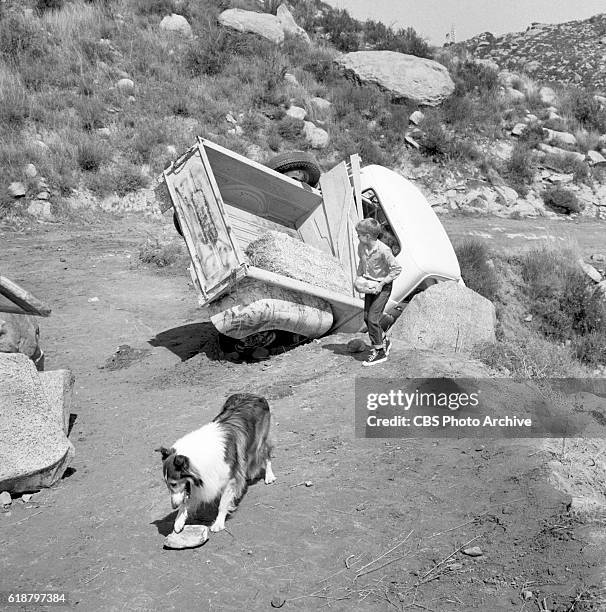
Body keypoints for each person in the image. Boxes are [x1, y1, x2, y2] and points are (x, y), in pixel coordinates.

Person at [355, 218, 402, 366]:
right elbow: (362, 263)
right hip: (369, 284)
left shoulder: (384, 250)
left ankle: (380, 352)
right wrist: (359, 279)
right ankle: (384, 340)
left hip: (382, 287)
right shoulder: (361, 246)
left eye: (359, 234)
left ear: (368, 236)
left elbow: (397, 269)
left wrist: (382, 284)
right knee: (366, 317)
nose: (358, 237)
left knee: (373, 319)